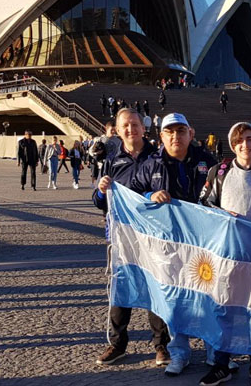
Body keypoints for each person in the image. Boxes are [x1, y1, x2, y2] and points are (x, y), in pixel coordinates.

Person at [129, 112, 217, 377]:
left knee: (209, 297)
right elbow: (131, 194)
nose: (175, 136)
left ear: (190, 133)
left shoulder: (207, 161)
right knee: (175, 298)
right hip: (168, 244)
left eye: (180, 131)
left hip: (203, 242)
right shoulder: (150, 164)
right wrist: (149, 194)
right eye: (170, 132)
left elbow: (222, 195)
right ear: (162, 136)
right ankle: (179, 352)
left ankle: (215, 352)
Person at [198, 122, 251, 386]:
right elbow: (203, 204)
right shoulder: (219, 171)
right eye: (239, 141)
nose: (245, 145)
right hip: (227, 253)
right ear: (232, 145)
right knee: (226, 309)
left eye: (250, 139)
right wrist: (223, 215)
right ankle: (221, 364)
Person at [93, 108, 171, 367]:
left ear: (142, 127)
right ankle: (117, 344)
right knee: (121, 289)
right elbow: (99, 203)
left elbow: (163, 194)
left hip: (151, 237)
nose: (130, 129)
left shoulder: (159, 158)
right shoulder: (112, 162)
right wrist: (102, 191)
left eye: (134, 124)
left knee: (155, 289)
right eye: (125, 125)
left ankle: (161, 346)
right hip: (122, 237)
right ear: (116, 129)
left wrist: (151, 197)